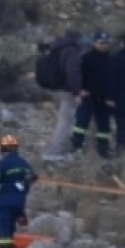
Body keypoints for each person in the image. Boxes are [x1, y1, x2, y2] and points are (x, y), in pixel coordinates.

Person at [0, 135, 37, 248]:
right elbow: (33, 177)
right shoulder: (24, 163)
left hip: (3, 201)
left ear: (3, 149)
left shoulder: (2, 164)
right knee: (10, 227)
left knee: (2, 228)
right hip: (19, 202)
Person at [41, 27, 84, 161]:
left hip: (59, 88)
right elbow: (72, 71)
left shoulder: (58, 47)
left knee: (63, 120)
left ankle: (54, 149)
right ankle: (54, 151)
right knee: (65, 121)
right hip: (67, 90)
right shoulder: (71, 50)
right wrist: (76, 91)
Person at [71, 30, 112, 158]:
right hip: (87, 96)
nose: (104, 45)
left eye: (106, 43)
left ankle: (103, 150)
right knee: (82, 122)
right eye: (101, 43)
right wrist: (79, 91)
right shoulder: (86, 58)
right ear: (94, 43)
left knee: (104, 125)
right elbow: (77, 76)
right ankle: (76, 146)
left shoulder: (111, 59)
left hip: (104, 98)